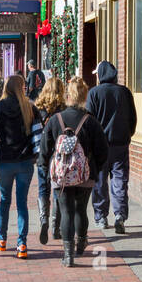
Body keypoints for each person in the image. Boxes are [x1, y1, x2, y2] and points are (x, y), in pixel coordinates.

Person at [39, 76, 108, 267]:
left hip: (61, 177)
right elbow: (103, 150)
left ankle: (68, 256)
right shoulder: (90, 121)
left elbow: (44, 150)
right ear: (84, 95)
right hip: (85, 175)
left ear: (68, 95)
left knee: (66, 210)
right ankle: (82, 242)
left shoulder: (55, 120)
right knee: (80, 210)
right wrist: (96, 168)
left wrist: (45, 169)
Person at [0, 73, 38, 259]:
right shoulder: (30, 108)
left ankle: (2, 238)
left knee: (4, 200)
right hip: (25, 162)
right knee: (22, 202)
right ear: (22, 87)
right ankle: (22, 244)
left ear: (6, 87)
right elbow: (38, 133)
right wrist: (33, 153)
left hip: (5, 161)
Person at [86, 61, 137, 234]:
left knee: (99, 181)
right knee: (120, 180)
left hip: (100, 146)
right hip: (120, 144)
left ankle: (101, 217)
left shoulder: (93, 93)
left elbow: (89, 120)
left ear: (100, 75)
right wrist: (127, 135)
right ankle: (120, 215)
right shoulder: (124, 92)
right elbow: (133, 118)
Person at [34, 76, 66, 244]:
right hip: (58, 158)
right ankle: (55, 227)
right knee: (57, 191)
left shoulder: (38, 109)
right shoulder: (63, 110)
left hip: (41, 155)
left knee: (42, 190)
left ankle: (43, 219)